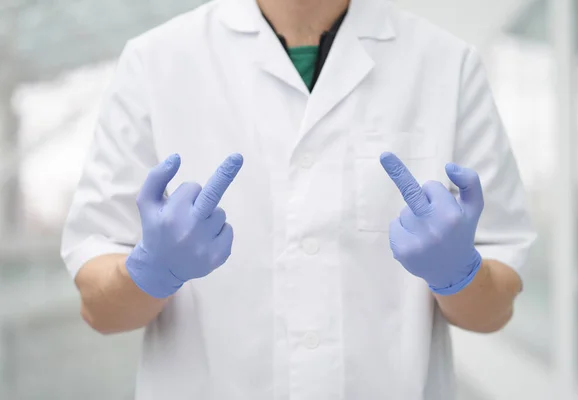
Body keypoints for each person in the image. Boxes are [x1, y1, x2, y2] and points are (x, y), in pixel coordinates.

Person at [61, 0, 536, 398]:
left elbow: (494, 311)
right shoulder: (155, 62)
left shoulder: (446, 64)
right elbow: (99, 310)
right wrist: (150, 272)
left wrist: (459, 275)